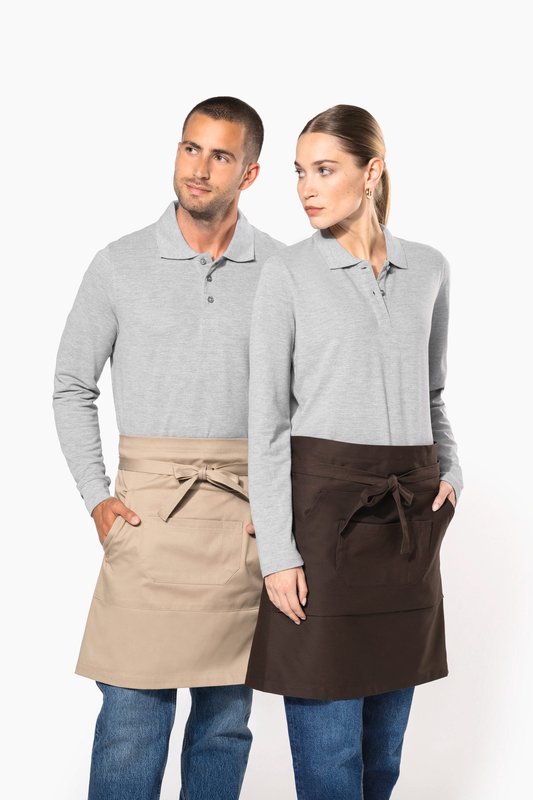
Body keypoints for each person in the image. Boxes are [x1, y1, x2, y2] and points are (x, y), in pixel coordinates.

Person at [52, 95, 286, 800]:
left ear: (249, 174)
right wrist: (96, 497)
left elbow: (307, 403)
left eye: (220, 155)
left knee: (224, 723)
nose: (199, 169)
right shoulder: (118, 263)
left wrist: (280, 509)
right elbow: (71, 385)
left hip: (241, 521)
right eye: (190, 148)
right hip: (146, 517)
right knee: (130, 717)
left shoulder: (283, 271)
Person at [244, 104, 464, 799]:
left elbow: (432, 392)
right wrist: (277, 552)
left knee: (383, 757)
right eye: (299, 172)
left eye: (324, 170)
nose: (306, 188)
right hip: (321, 521)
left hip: (406, 522)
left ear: (371, 172)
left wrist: (452, 471)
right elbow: (265, 421)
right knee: (329, 759)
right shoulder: (286, 272)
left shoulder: (428, 268)